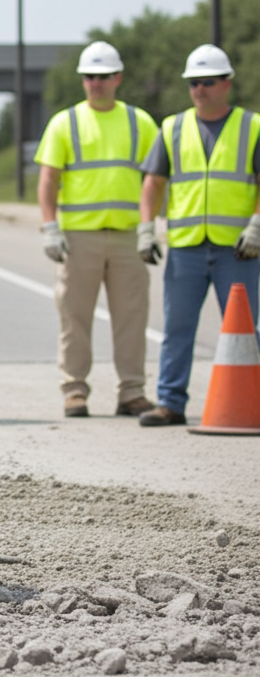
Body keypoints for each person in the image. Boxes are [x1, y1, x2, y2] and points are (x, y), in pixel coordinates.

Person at [136, 43, 260, 427]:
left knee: (246, 331)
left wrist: (257, 225)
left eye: (208, 82)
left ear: (227, 83)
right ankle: (170, 403)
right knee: (177, 329)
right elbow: (153, 183)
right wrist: (146, 228)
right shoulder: (172, 128)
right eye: (193, 83)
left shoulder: (252, 127)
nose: (199, 89)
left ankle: (253, 404)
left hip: (237, 249)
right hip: (186, 248)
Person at [34, 40, 159, 418]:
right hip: (78, 239)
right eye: (90, 76)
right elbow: (48, 179)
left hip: (127, 237)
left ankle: (132, 392)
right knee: (74, 319)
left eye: (104, 76)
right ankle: (75, 391)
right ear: (82, 79)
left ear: (118, 78)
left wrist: (149, 227)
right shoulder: (65, 123)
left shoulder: (140, 122)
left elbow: (155, 180)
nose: (96, 82)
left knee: (132, 318)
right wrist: (50, 226)